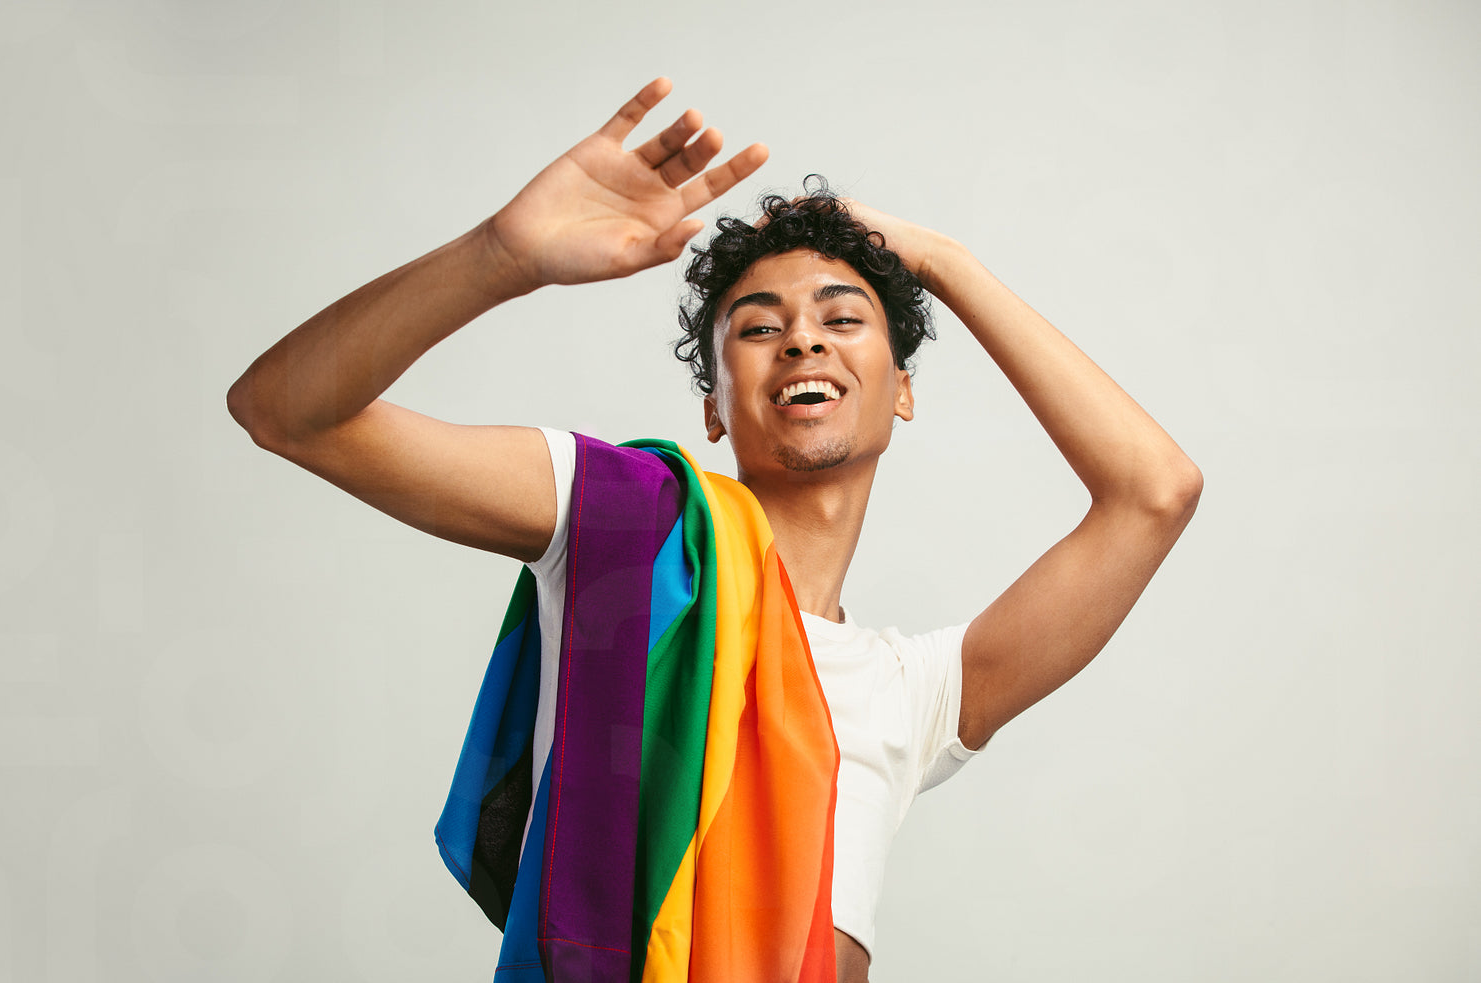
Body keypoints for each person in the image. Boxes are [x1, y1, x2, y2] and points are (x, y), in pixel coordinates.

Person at [227, 77, 1202, 982]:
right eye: (759, 326)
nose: (803, 337)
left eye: (842, 317)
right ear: (714, 409)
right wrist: (500, 257)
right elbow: (286, 411)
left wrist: (945, 262)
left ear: (902, 388)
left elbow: (1154, 491)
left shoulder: (914, 693)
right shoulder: (619, 523)